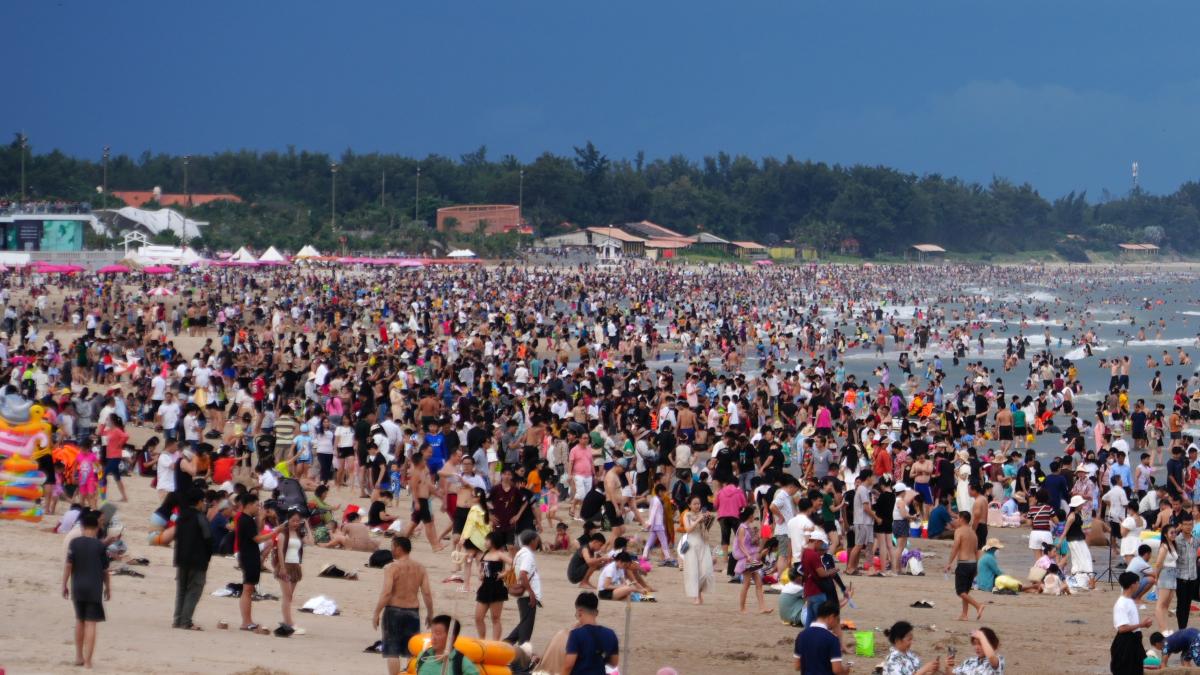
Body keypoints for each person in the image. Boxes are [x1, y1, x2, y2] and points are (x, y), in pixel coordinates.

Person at [373, 536, 434, 675]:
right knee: (411, 650)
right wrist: (430, 614)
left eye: (393, 546)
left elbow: (386, 593)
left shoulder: (391, 567)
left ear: (399, 548)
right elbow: (427, 593)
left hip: (393, 611)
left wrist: (376, 612)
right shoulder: (420, 568)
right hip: (413, 612)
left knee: (392, 652)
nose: (391, 550)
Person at [62, 510, 110, 668]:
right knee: (91, 623)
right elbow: (105, 571)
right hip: (93, 588)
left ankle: (78, 656)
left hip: (77, 587)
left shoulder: (74, 543)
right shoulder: (100, 546)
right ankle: (88, 661)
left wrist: (64, 584)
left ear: (82, 527)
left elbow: (69, 565)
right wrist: (108, 588)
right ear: (97, 527)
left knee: (79, 621)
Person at [235, 493, 280, 633]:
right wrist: (275, 532)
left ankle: (247, 621)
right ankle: (246, 622)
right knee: (248, 589)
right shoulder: (245, 519)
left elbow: (257, 532)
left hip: (249, 555)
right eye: (256, 504)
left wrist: (260, 518)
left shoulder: (248, 519)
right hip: (248, 556)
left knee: (248, 589)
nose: (258, 507)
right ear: (249, 505)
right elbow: (257, 538)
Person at [171, 488, 212, 630]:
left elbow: (177, 537)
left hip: (181, 558)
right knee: (194, 590)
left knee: (181, 590)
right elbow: (208, 538)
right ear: (200, 502)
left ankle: (177, 620)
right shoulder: (200, 517)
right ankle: (186, 621)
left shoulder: (181, 516)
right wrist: (208, 557)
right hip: (197, 559)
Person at [563, 592, 620, 675]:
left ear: (580, 611)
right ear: (596, 613)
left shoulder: (576, 634)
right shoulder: (610, 634)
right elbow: (614, 663)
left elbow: (568, 665)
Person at [274, 507, 309, 637]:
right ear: (288, 520)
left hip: (295, 565)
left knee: (290, 597)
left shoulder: (299, 533)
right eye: (293, 520)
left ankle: (286, 621)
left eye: (297, 521)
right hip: (286, 565)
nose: (295, 523)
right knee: (287, 596)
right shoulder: (283, 533)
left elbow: (311, 542)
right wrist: (282, 568)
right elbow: (280, 551)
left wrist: (307, 527)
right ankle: (289, 623)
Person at [944, 510, 984, 621]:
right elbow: (976, 551)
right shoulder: (973, 533)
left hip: (964, 564)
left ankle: (978, 605)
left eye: (957, 518)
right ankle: (964, 614)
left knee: (960, 591)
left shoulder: (959, 531)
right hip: (973, 564)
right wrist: (976, 567)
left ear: (962, 519)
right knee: (965, 591)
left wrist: (949, 563)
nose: (956, 520)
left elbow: (955, 547)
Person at [409, 615, 480, 675]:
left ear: (451, 637)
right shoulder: (423, 656)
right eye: (432, 633)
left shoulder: (462, 664)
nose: (433, 637)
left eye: (438, 633)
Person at [1111, 571, 1152, 674]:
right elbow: (1122, 628)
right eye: (1138, 583)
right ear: (1133, 585)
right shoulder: (1121, 603)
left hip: (1134, 640)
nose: (1139, 585)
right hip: (1126, 643)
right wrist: (1141, 625)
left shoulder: (1130, 600)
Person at [474, 531, 512, 640]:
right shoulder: (484, 554)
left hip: (497, 587)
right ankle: (482, 639)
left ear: (494, 541)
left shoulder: (500, 554)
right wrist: (480, 574)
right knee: (478, 617)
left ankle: (495, 643)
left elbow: (515, 563)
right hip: (485, 587)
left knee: (495, 618)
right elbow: (481, 568)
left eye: (487, 540)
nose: (485, 542)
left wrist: (504, 573)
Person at [505, 530, 541, 645]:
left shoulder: (520, 553)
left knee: (524, 623)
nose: (538, 543)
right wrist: (531, 593)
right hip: (527, 596)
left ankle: (505, 644)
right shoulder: (527, 555)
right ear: (532, 541)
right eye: (537, 540)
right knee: (526, 630)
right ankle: (520, 659)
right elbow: (523, 574)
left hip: (523, 594)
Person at [793, 600, 847, 675]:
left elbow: (797, 666)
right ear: (831, 617)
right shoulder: (832, 639)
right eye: (837, 620)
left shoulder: (801, 635)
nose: (836, 623)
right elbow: (837, 670)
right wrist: (845, 672)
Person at [732, 506, 769, 614]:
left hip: (749, 558)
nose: (754, 516)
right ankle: (742, 608)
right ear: (750, 515)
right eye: (753, 514)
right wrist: (748, 555)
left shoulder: (747, 527)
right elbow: (741, 544)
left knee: (758, 583)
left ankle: (762, 607)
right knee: (747, 583)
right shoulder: (743, 528)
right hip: (746, 559)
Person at [680, 494, 715, 605]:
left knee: (706, 572)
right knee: (693, 571)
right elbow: (688, 529)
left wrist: (708, 519)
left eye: (699, 503)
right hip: (692, 545)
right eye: (694, 503)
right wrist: (698, 520)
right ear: (689, 505)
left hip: (703, 544)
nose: (697, 506)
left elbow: (706, 529)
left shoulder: (702, 514)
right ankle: (697, 596)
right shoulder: (687, 515)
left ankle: (699, 593)